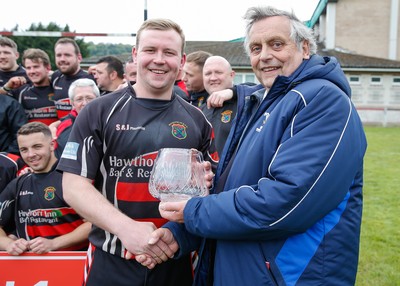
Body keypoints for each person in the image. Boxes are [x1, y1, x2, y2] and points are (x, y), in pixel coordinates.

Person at [140, 6, 368, 286]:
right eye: (256, 48)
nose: (265, 55)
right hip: (244, 270)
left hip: (292, 276)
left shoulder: (323, 101)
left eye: (277, 44)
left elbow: (286, 201)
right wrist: (181, 232)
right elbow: (233, 187)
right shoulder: (262, 102)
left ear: (305, 48)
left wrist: (194, 212)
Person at [57, 18, 217, 286]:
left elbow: (212, 190)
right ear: (135, 54)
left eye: (169, 53)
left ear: (181, 60)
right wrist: (127, 229)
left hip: (176, 260)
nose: (159, 59)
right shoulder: (99, 111)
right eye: (150, 50)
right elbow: (73, 186)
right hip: (111, 259)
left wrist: (175, 232)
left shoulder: (197, 119)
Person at [0, 122, 90, 255]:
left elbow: (95, 224)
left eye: (37, 147)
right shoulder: (18, 184)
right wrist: (9, 244)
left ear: (52, 145)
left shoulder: (73, 179)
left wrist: (54, 243)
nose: (31, 154)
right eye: (24, 149)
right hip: (30, 267)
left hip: (74, 263)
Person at [1, 48, 58, 126]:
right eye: (28, 68)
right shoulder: (21, 91)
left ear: (47, 68)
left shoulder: (58, 88)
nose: (32, 71)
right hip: (31, 137)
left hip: (56, 137)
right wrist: (7, 86)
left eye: (36, 67)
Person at [54, 78, 100, 159]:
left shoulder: (108, 122)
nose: (85, 103)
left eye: (89, 98)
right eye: (79, 99)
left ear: (99, 99)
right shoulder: (63, 126)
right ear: (72, 103)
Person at [201, 55, 237, 155]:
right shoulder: (199, 112)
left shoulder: (248, 101)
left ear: (232, 75)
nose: (213, 78)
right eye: (208, 74)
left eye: (218, 72)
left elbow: (261, 89)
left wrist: (233, 92)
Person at [51, 38, 95, 119]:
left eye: (67, 55)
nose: (62, 59)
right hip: (62, 130)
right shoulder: (55, 77)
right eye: (58, 55)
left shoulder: (92, 79)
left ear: (79, 58)